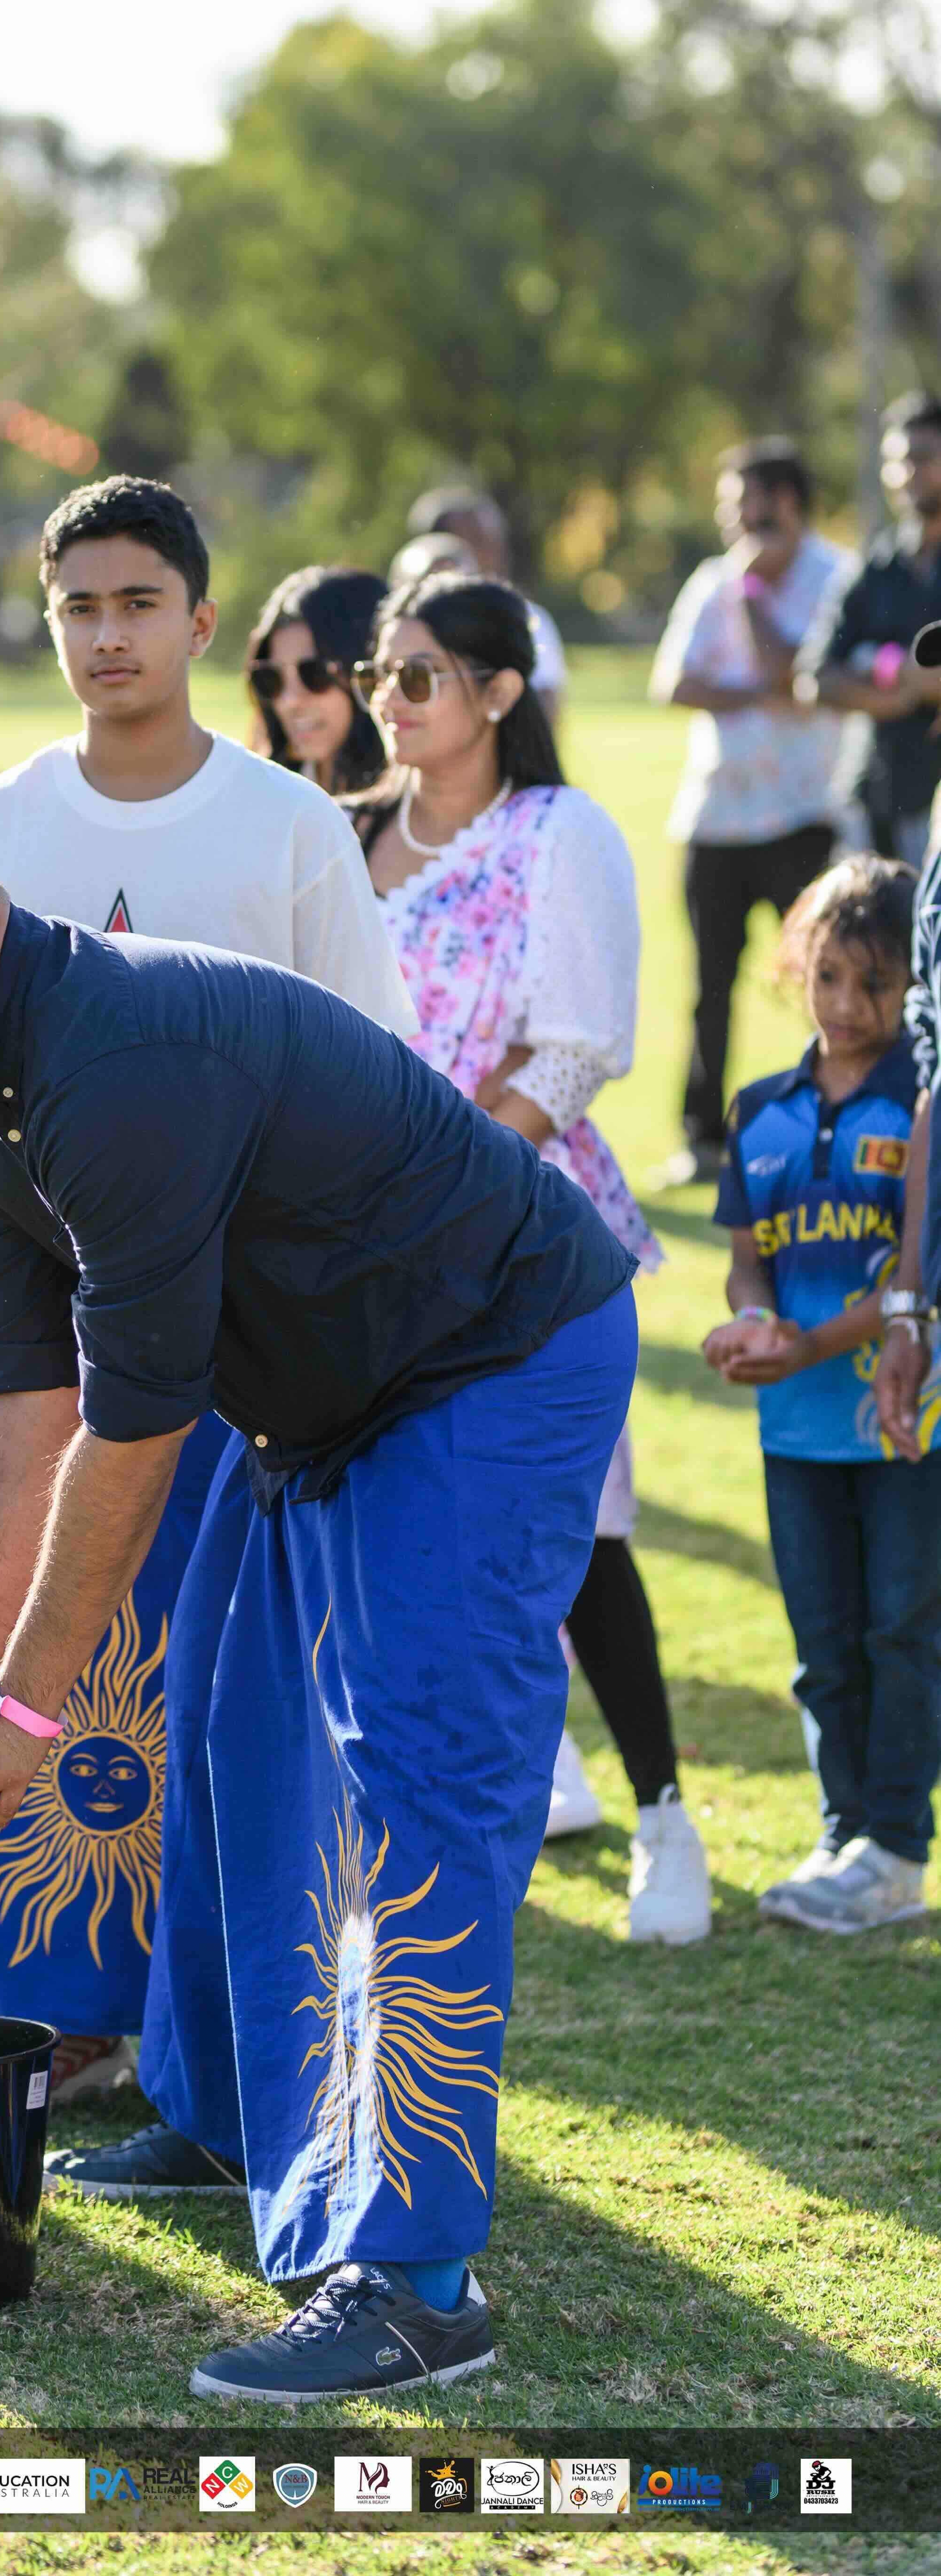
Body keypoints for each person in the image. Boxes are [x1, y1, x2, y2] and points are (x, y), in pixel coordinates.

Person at [0, 808, 636, 2401]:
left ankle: (415, 2284)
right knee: (225, 1734)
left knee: (411, 1794)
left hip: (490, 1360)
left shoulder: (114, 1066)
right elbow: (27, 1399)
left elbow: (132, 1436)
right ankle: (230, 2122)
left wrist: (26, 1708)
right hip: (330, 1400)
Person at [0, 482, 416, 2112]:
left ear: (201, 621)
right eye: (78, 606)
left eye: (138, 603)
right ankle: (50, 2009)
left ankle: (214, 2027)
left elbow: (372, 1080)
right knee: (31, 1632)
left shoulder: (286, 826)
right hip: (45, 1335)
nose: (108, 635)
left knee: (216, 1675)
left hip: (241, 1335)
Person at [349, 571, 710, 1945]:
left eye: (417, 677)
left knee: (577, 1537)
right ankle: (467, 1821)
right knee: (402, 1541)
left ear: (498, 692)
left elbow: (570, 1050)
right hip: (356, 1244)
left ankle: (665, 1819)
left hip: (520, 1238)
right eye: (379, 676)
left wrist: (442, 1185)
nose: (388, 701)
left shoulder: (558, 833)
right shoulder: (347, 834)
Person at [706, 857, 939, 1934]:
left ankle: (892, 1847)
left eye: (875, 984)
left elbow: (911, 1273)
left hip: (899, 1423)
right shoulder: (758, 1110)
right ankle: (840, 1832)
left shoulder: (919, 1105)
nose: (846, 1006)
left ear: (912, 987)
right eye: (828, 977)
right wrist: (754, 1322)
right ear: (797, 965)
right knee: (821, 1649)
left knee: (900, 1633)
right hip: (791, 1428)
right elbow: (742, 1260)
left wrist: (807, 1345)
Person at [650, 439, 852, 1188]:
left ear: (785, 503)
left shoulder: (836, 578)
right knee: (710, 988)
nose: (732, 522)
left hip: (805, 814)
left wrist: (757, 601)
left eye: (745, 506)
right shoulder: (714, 579)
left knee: (828, 980)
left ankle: (843, 1126)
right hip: (716, 817)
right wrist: (756, 694)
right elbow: (673, 684)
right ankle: (703, 1139)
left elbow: (792, 673)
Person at [802, 394, 941, 866]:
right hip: (872, 801)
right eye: (895, 462)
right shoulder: (872, 570)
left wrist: (892, 673)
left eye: (922, 458)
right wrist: (899, 691)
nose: (906, 474)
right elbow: (813, 678)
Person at [405, 484, 567, 727]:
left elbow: (546, 711)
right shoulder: (397, 625)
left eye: (495, 540)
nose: (493, 553)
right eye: (477, 540)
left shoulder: (529, 619)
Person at [244, 566, 388, 796]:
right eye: (271, 678)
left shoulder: (415, 807)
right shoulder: (259, 795)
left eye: (315, 674)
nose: (290, 701)